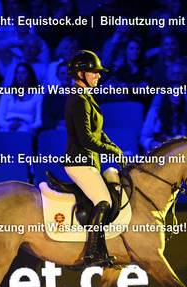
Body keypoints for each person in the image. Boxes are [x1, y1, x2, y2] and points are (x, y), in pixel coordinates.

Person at [61, 50, 124, 267]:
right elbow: (86, 139)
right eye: (94, 72)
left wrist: (113, 147)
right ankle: (91, 254)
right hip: (79, 161)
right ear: (80, 74)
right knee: (104, 201)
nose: (98, 76)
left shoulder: (86, 97)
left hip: (88, 161)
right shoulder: (79, 100)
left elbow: (98, 132)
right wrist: (112, 152)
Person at [0, 62, 43, 134]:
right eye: (18, 73)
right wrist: (9, 125)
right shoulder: (7, 93)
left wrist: (27, 127)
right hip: (8, 125)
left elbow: (39, 122)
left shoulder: (37, 95)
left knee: (22, 132)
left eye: (23, 73)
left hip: (26, 127)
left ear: (29, 75)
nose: (20, 76)